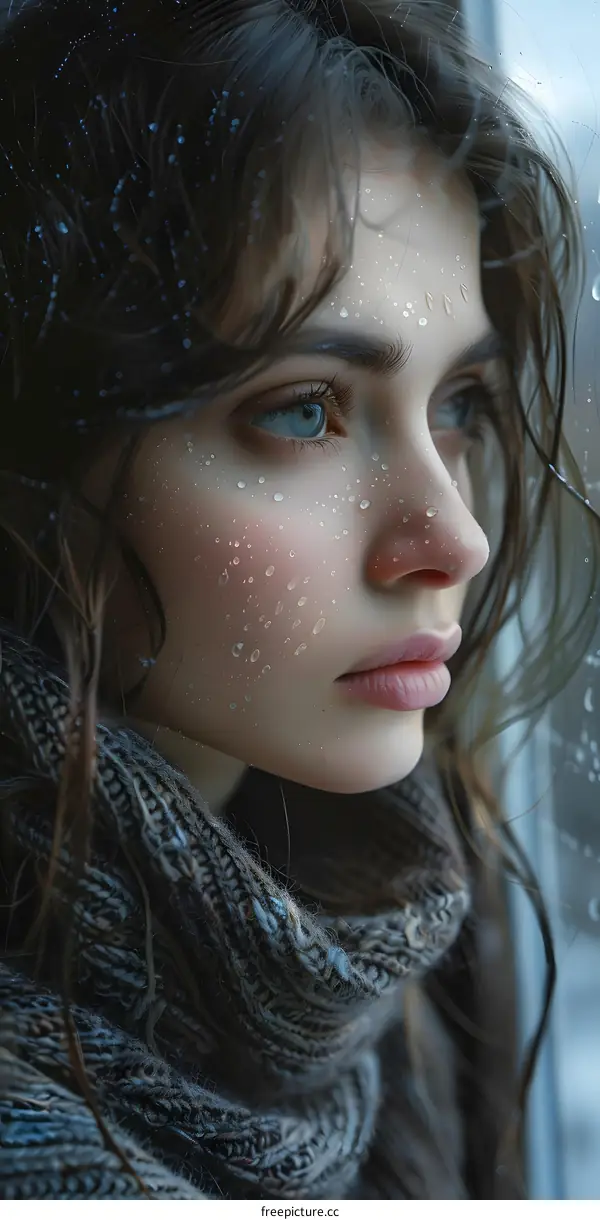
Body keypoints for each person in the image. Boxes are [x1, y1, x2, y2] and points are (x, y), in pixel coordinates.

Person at [0, 0, 598, 1202]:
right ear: (45, 453)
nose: (457, 539)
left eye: (461, 406)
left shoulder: (382, 956)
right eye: (305, 410)